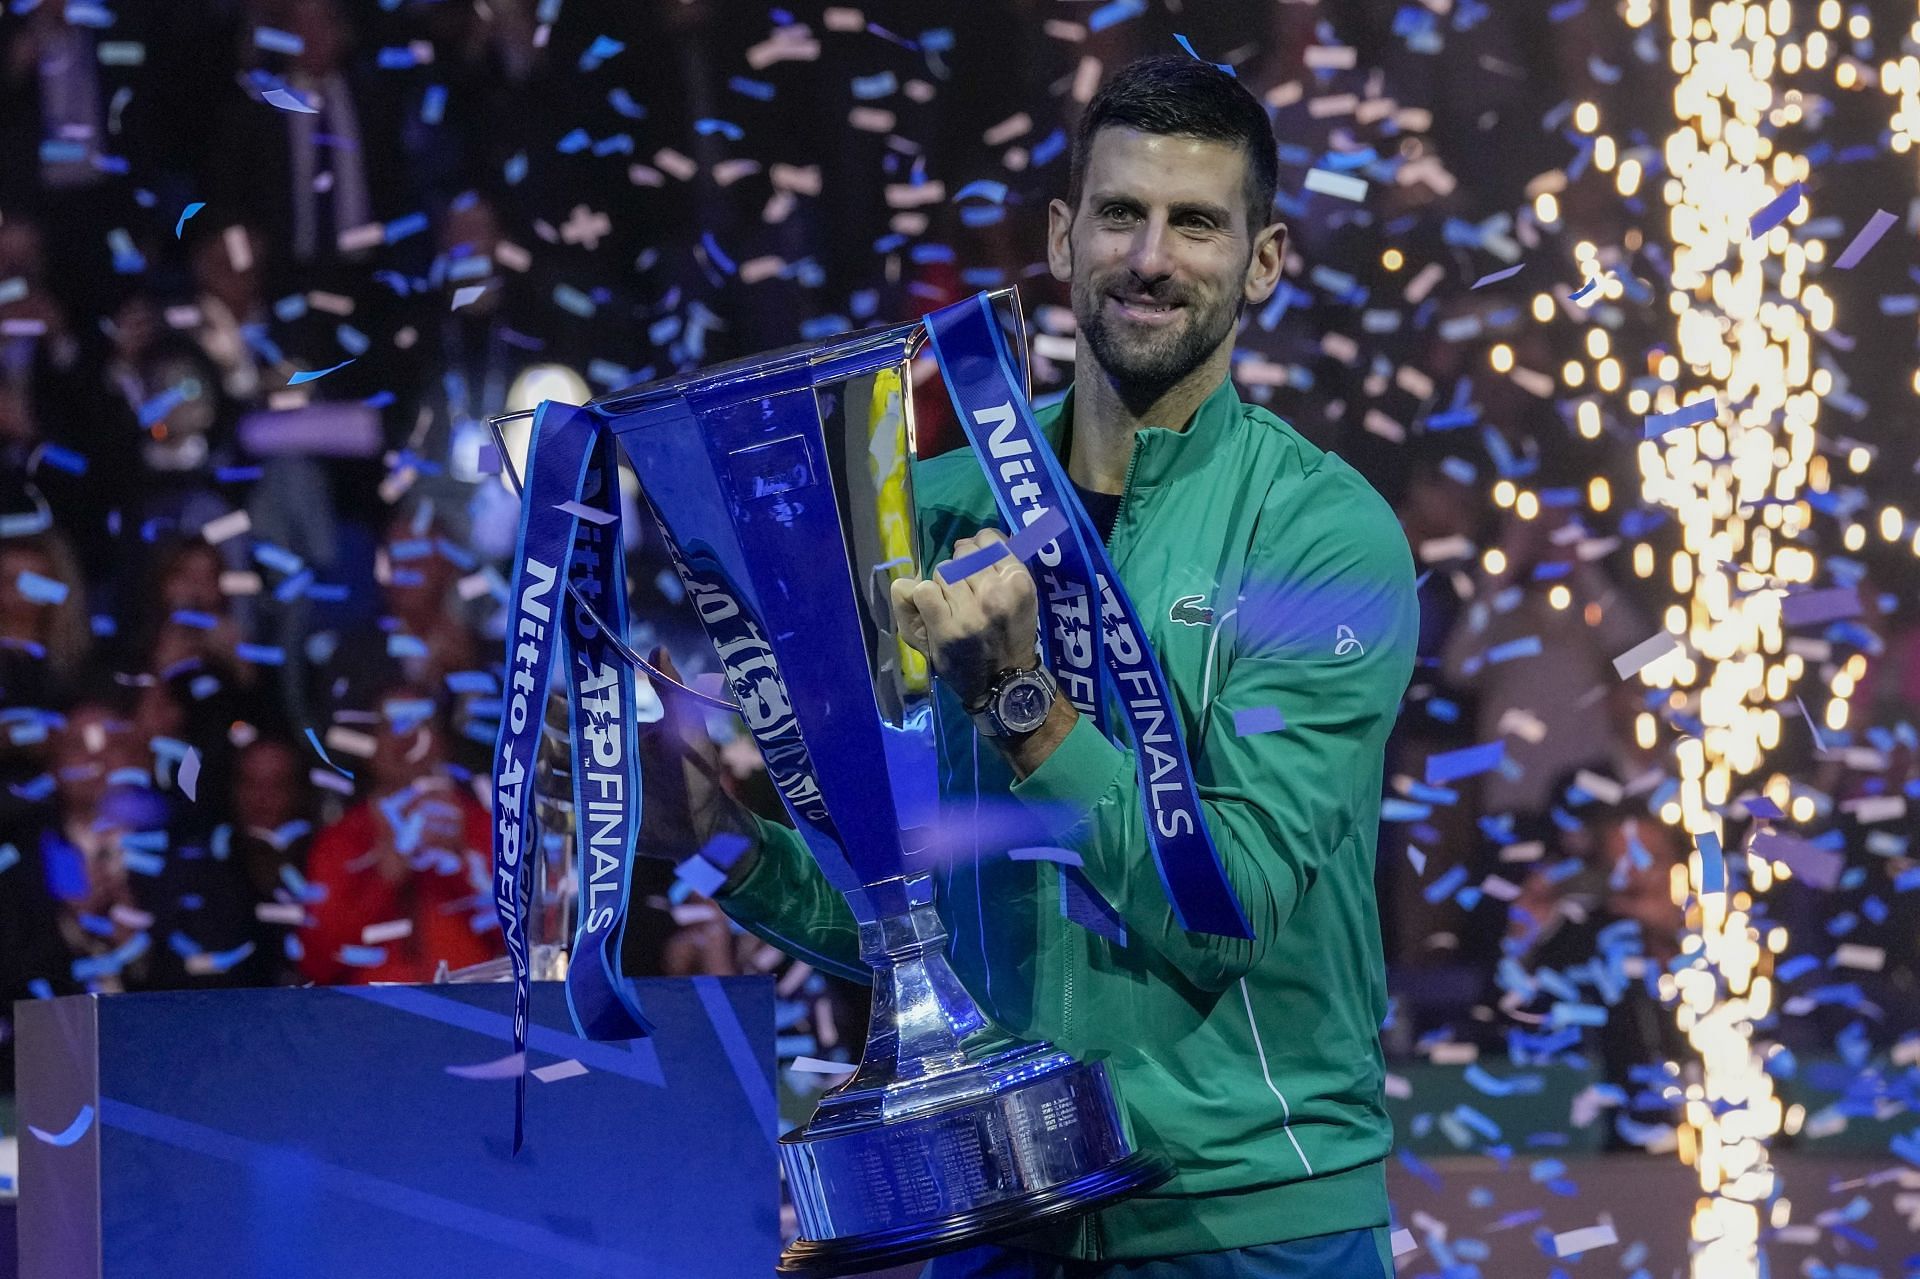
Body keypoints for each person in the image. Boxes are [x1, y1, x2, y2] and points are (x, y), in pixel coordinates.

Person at [647, 57, 1417, 1278]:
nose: (1151, 256)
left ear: (1263, 261)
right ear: (1063, 237)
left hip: (1248, 1217)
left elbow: (1224, 912)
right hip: (1001, 1215)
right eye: (1121, 213)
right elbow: (919, 930)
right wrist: (720, 836)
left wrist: (1025, 708)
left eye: (1197, 223)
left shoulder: (1323, 535)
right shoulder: (932, 515)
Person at [298, 686, 501, 984]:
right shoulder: (342, 840)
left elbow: (532, 939)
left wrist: (462, 863)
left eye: (420, 723)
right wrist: (384, 877)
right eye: (390, 725)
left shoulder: (488, 827)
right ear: (370, 745)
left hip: (477, 1015)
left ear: (443, 741)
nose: (406, 739)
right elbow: (316, 961)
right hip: (371, 1020)